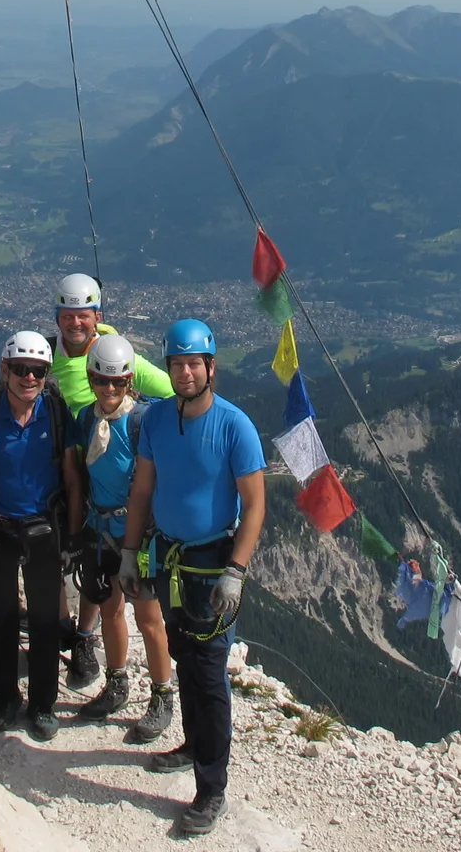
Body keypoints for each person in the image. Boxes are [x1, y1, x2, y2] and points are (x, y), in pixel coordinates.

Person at [120, 319, 266, 838]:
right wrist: (130, 553)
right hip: (170, 561)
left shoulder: (234, 426)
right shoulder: (156, 420)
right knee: (184, 655)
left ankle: (211, 787)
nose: (185, 373)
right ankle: (194, 744)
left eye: (193, 364)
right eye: (177, 364)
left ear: (210, 367)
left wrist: (236, 571)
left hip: (211, 563)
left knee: (207, 672)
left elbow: (254, 505)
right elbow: (142, 490)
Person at [0, 330, 84, 742]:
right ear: (5, 370)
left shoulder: (56, 414)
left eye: (38, 371)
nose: (29, 378)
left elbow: (71, 478)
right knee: (1, 620)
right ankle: (6, 699)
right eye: (21, 369)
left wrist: (74, 538)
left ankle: (43, 704)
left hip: (45, 530)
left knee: (45, 621)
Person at [49, 272, 173, 687]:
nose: (75, 323)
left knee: (117, 586)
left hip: (116, 488)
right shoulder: (48, 358)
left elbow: (172, 390)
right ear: (57, 316)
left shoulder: (117, 354)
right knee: (81, 561)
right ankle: (73, 635)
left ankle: (87, 639)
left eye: (83, 315)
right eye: (68, 315)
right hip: (71, 472)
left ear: (96, 316)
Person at [68, 333, 177, 740]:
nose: (109, 389)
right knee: (110, 609)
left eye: (116, 382)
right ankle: (117, 683)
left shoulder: (141, 421)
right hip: (100, 531)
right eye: (101, 381)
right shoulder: (86, 420)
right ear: (91, 379)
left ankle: (162, 695)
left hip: (139, 535)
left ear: (129, 381)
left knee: (149, 617)